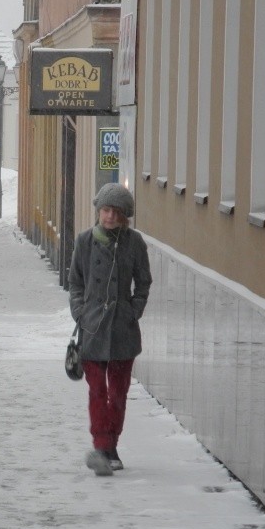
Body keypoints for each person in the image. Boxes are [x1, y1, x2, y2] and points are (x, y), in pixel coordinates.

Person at [68, 183, 151, 476]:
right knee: (97, 391)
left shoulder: (134, 243)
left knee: (118, 393)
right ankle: (101, 445)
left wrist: (133, 311)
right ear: (98, 211)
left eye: (116, 212)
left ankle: (111, 446)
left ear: (125, 216)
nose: (109, 217)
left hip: (122, 331)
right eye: (105, 210)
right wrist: (80, 312)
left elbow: (143, 282)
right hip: (92, 330)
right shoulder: (84, 242)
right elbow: (75, 283)